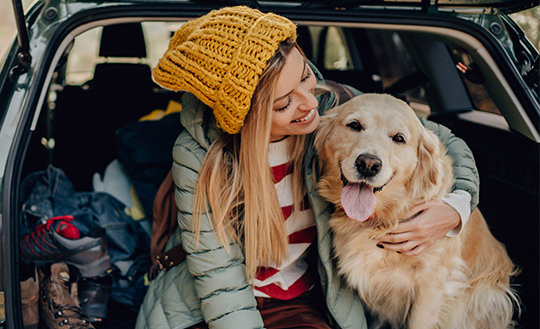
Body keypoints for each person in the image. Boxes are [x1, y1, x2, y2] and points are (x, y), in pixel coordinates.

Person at [135, 6, 478, 329]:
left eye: (305, 77)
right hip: (207, 300)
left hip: (298, 296)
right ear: (246, 117)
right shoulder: (199, 155)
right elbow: (219, 283)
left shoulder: (336, 104)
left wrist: (456, 208)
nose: (310, 102)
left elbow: (444, 142)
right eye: (285, 104)